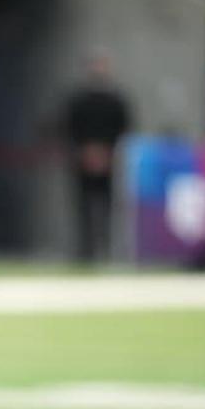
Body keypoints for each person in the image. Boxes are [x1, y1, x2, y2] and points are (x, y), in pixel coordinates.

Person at [63, 48, 132, 263]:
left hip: (109, 160)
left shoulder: (116, 101)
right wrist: (85, 151)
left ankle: (106, 250)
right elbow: (69, 128)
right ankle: (86, 251)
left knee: (107, 207)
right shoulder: (78, 100)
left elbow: (124, 127)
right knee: (83, 206)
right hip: (83, 160)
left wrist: (108, 152)